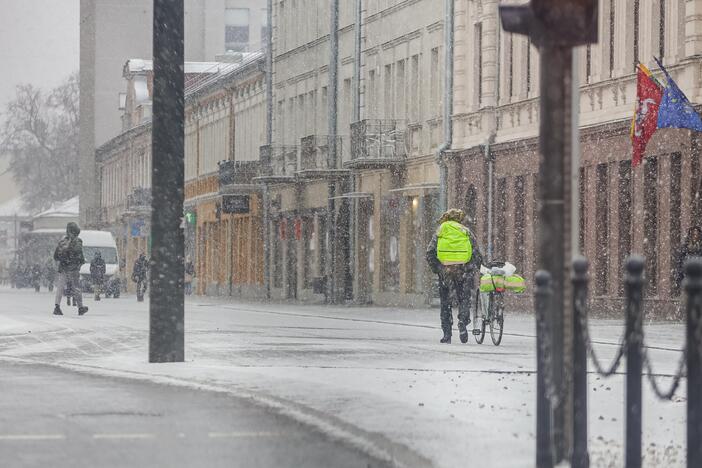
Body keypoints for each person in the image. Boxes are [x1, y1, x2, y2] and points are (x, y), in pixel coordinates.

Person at [426, 208, 482, 344]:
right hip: (463, 269)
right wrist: (475, 267)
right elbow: (476, 251)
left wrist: (438, 269)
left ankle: (447, 334)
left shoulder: (440, 230)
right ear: (460, 219)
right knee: (464, 298)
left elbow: (430, 252)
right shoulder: (465, 231)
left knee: (446, 302)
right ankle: (462, 322)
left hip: (446, 270)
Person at [53, 222, 88, 316]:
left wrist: (63, 261)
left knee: (60, 287)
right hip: (73, 269)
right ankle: (80, 307)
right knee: (76, 288)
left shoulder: (62, 242)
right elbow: (79, 255)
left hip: (63, 268)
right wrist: (80, 262)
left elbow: (55, 256)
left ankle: (57, 306)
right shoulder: (78, 241)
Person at [676, 226, 702, 291]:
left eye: (697, 234)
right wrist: (680, 280)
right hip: (687, 281)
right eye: (693, 234)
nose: (695, 237)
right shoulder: (685, 248)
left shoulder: (700, 248)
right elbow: (680, 264)